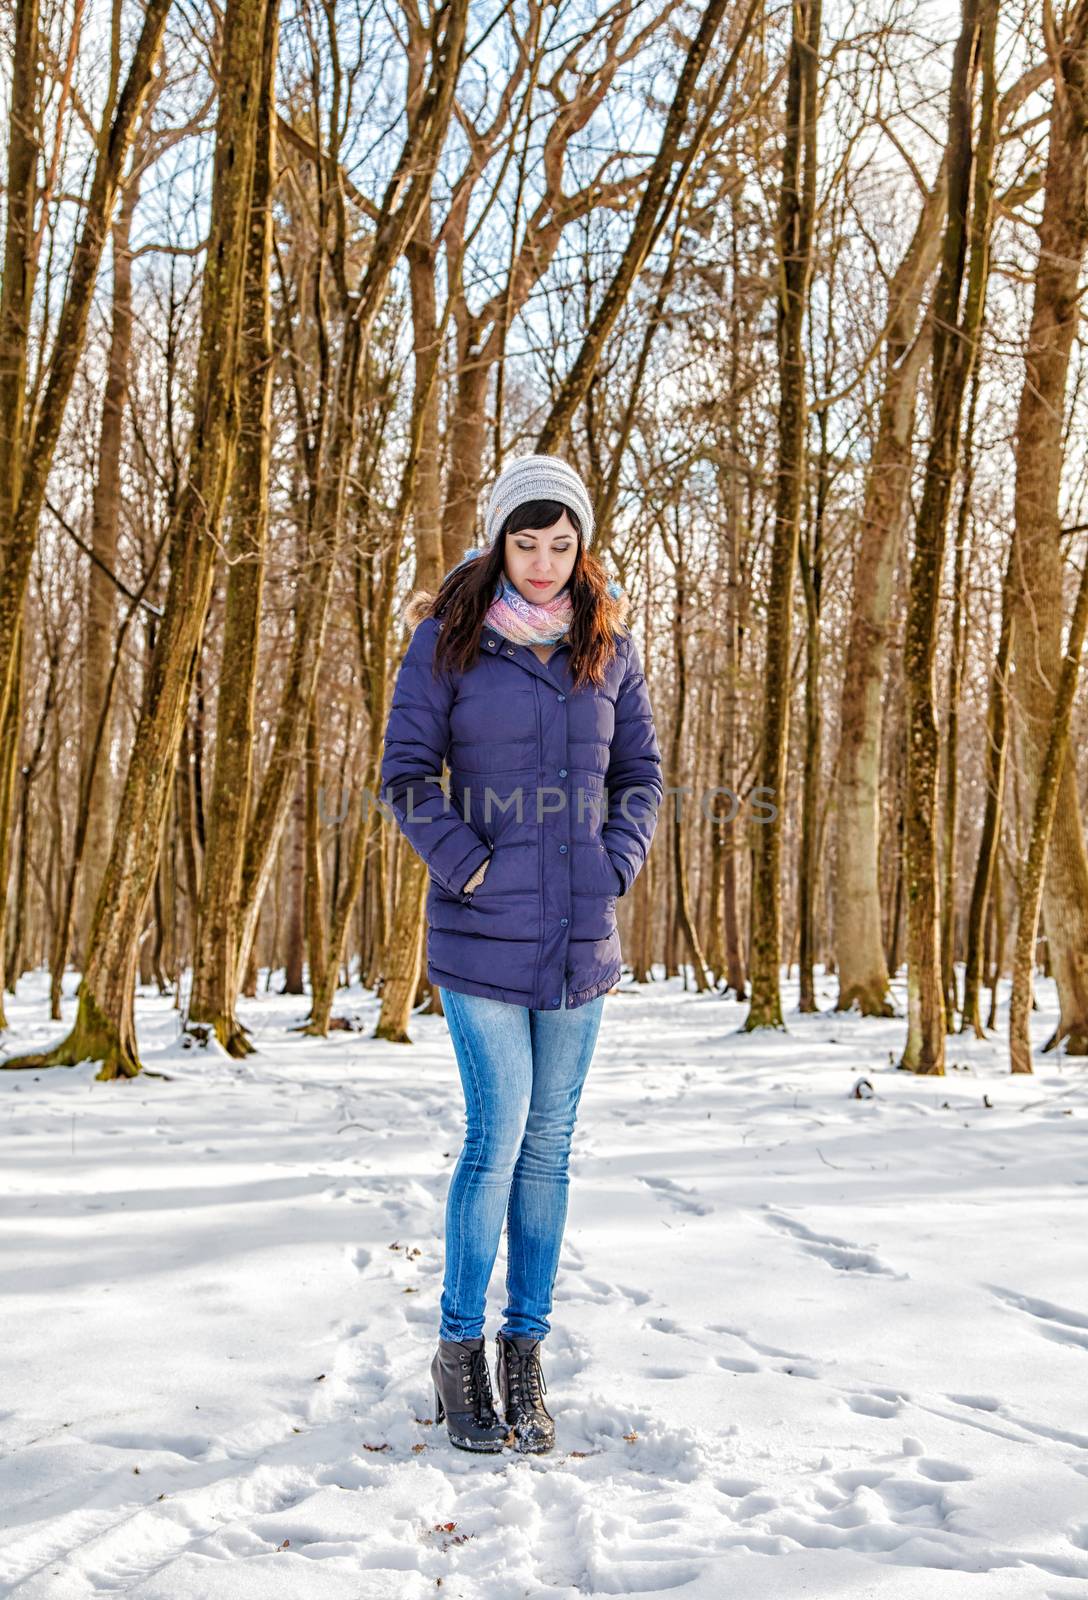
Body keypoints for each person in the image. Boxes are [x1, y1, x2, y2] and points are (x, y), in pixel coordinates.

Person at [379, 453, 662, 1454]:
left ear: (581, 548)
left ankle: (524, 1350)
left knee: (549, 1149)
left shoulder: (607, 648)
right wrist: (468, 871)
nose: (542, 562)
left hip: (578, 939)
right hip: (476, 933)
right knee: (495, 1138)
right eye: (524, 542)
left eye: (560, 543)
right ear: (496, 542)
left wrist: (612, 861)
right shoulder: (445, 645)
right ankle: (457, 1352)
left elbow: (641, 776)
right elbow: (406, 776)